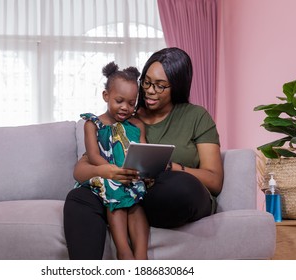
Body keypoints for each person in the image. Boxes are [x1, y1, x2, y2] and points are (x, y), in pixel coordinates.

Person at [63, 47, 224, 260]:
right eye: (146, 82)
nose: (149, 91)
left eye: (160, 85)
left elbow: (214, 180)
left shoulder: (196, 116)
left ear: (177, 85)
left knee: (179, 187)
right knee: (79, 198)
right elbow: (85, 167)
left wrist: (170, 167)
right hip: (130, 190)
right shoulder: (125, 116)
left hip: (173, 195)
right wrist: (111, 173)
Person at [75, 61, 149, 260]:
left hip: (130, 175)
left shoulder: (137, 125)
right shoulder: (93, 124)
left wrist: (146, 172)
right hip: (105, 174)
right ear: (106, 96)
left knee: (136, 202)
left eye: (131, 103)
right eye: (119, 101)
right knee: (116, 189)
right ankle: (123, 251)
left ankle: (141, 256)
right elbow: (93, 156)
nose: (125, 107)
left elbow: (142, 151)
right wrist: (113, 171)